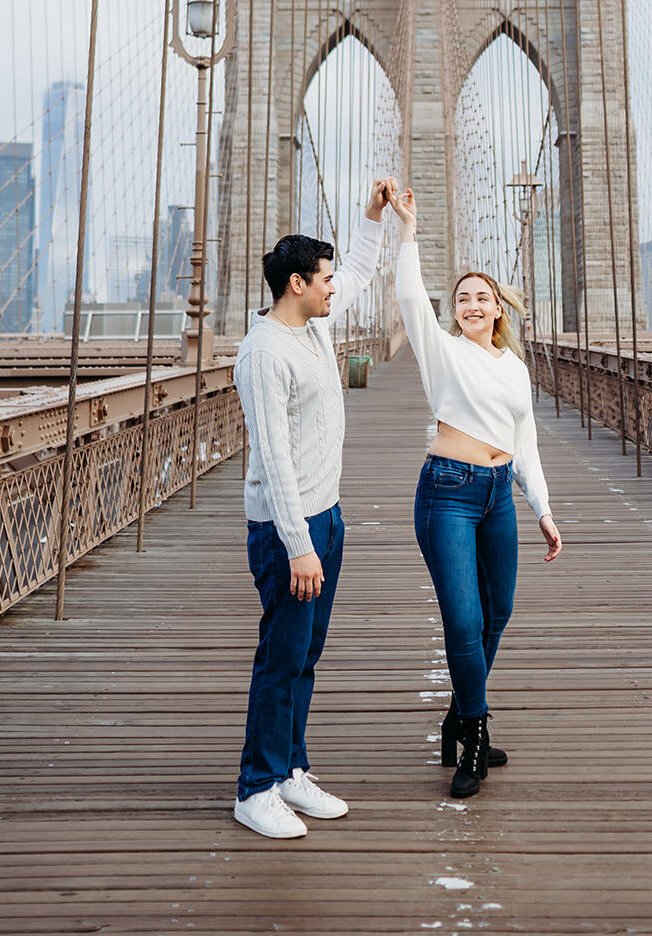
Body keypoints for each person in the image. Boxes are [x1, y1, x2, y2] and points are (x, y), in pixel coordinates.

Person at [232, 178, 396, 840]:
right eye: (323, 279)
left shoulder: (311, 330)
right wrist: (299, 545)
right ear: (297, 284)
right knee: (281, 655)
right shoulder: (265, 351)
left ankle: (290, 770)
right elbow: (272, 461)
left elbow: (358, 269)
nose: (335, 287)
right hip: (286, 530)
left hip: (325, 518)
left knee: (305, 655)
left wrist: (372, 216)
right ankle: (255, 787)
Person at [390, 186, 562, 798]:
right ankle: (474, 740)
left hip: (498, 496)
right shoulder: (442, 353)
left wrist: (542, 508)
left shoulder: (514, 367)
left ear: (498, 310)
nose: (468, 304)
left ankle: (457, 713)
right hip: (447, 493)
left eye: (480, 297)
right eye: (460, 297)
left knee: (498, 613)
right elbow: (411, 297)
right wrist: (407, 229)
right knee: (463, 622)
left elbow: (527, 442)